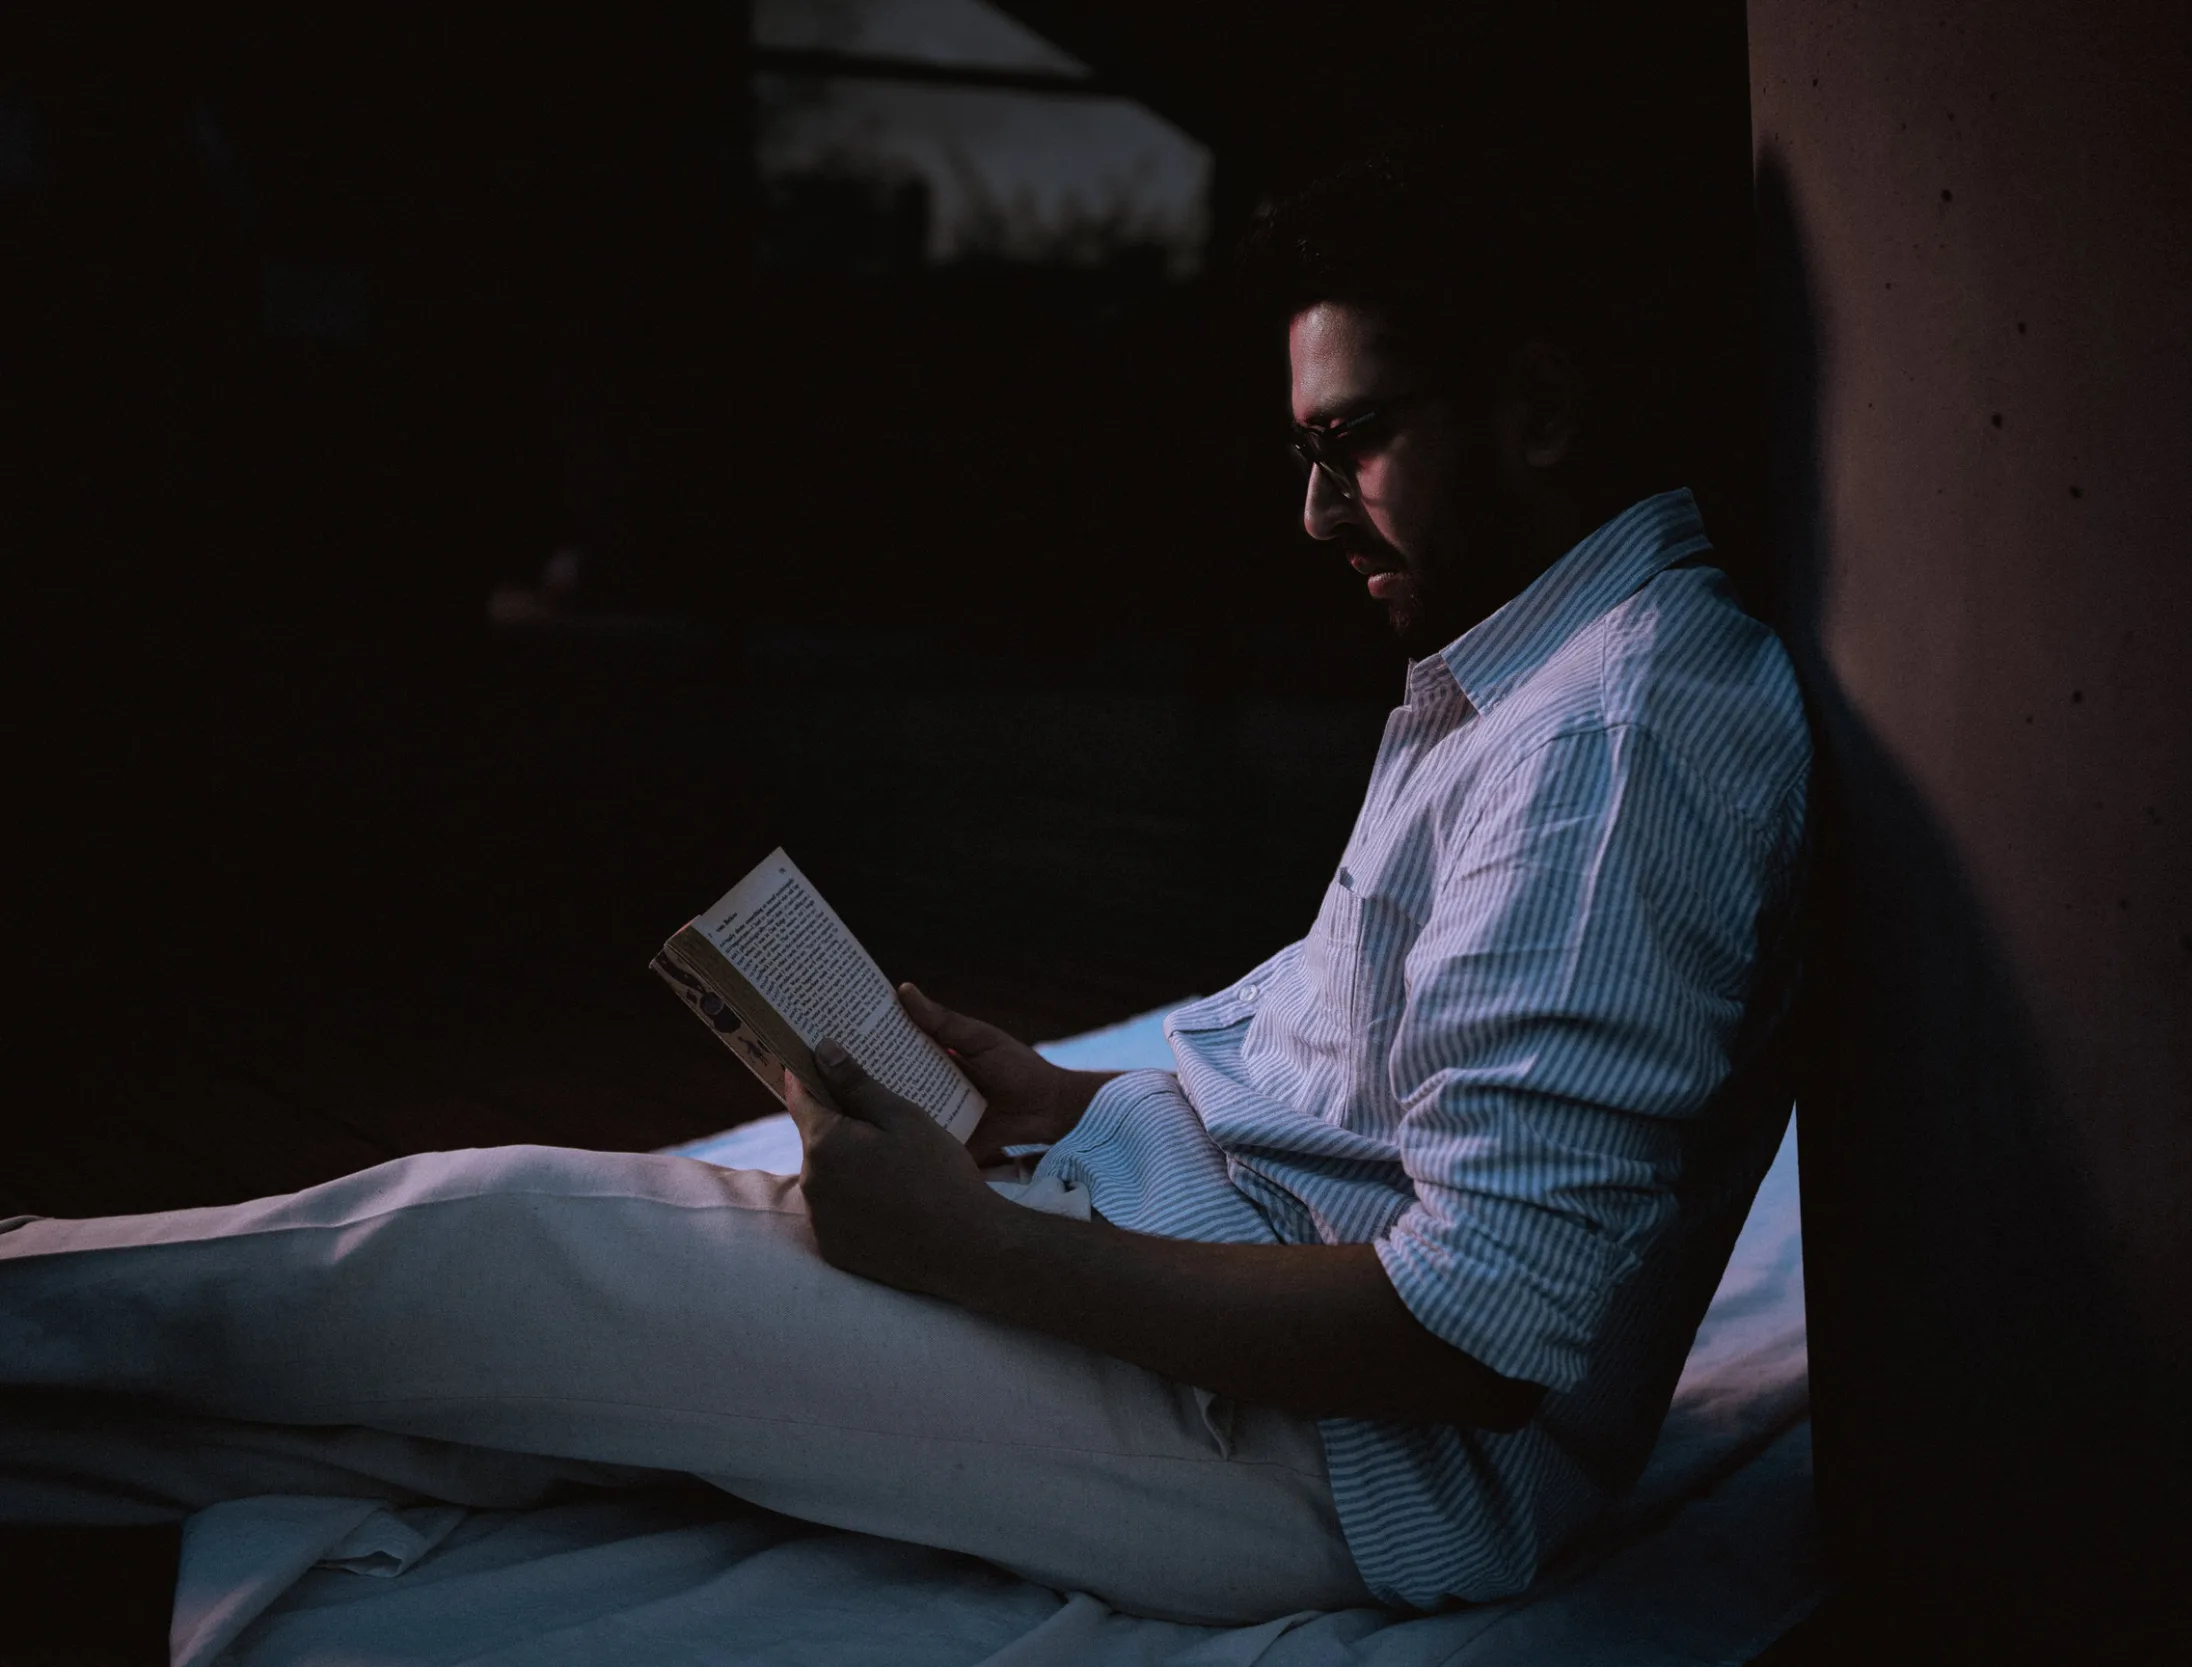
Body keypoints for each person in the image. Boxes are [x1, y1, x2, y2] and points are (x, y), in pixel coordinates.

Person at [0, 152, 1810, 1625]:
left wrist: (983, 1247)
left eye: (1352, 443)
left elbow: (1479, 1328)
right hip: (1230, 1302)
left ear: (1548, 406)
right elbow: (1380, 1098)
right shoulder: (1539, 684)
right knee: (472, 1374)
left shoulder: (1617, 737)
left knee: (481, 1235)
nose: (1318, 517)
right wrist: (1070, 1099)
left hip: (1335, 1466)